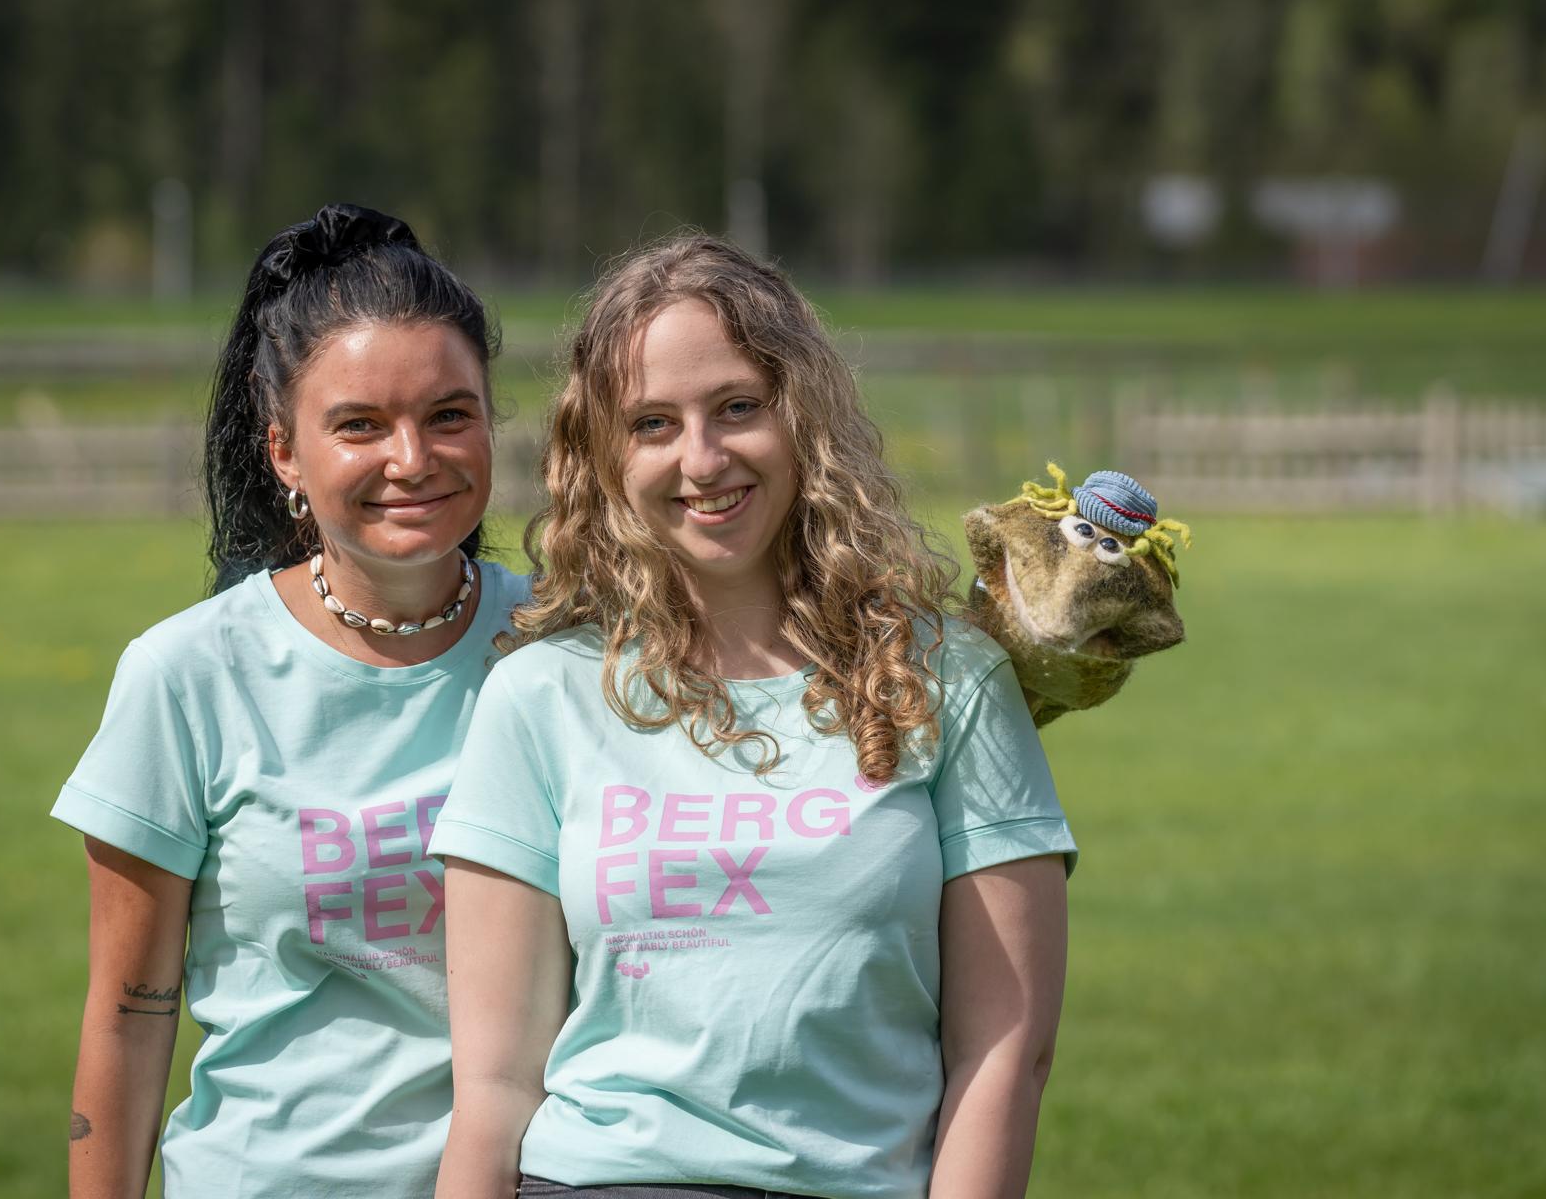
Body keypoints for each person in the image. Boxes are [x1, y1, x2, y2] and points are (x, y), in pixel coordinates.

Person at [431, 234, 1077, 1199]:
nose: (702, 458)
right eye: (652, 423)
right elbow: (492, 1088)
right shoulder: (539, 695)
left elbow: (1004, 1054)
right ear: (605, 455)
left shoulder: (950, 679)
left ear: (802, 417)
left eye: (737, 407)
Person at [52, 203, 528, 1198]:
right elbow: (130, 1015)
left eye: (450, 413)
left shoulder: (569, 647)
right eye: (360, 425)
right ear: (283, 455)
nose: (413, 458)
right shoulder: (186, 675)